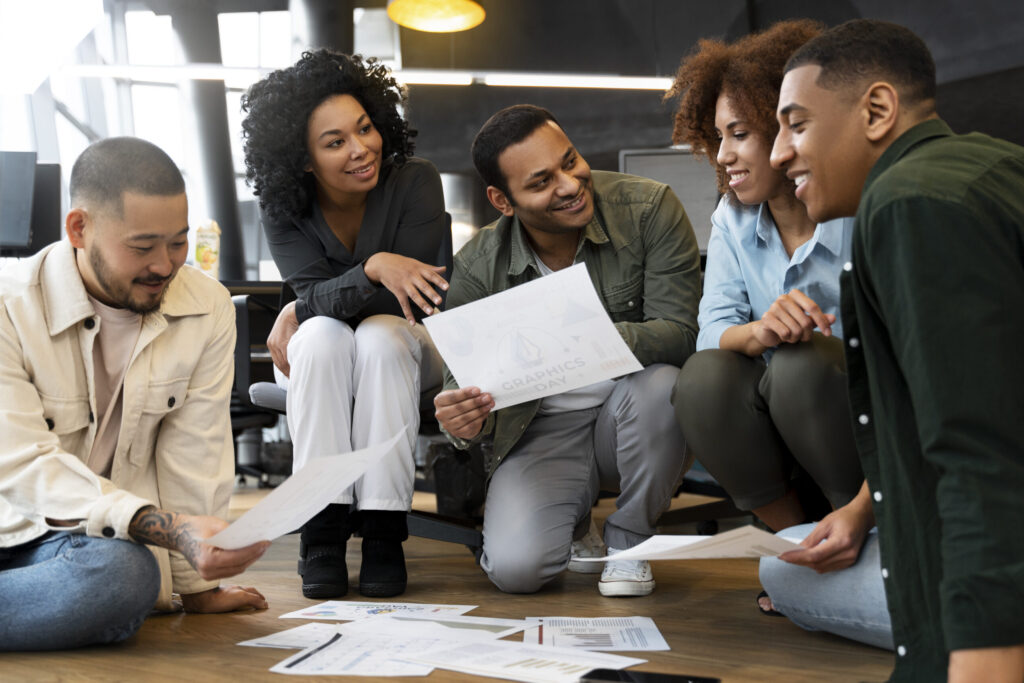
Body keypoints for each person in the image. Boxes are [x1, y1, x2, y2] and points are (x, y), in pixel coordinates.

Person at [770, 19, 1024, 682]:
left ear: (877, 110)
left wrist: (984, 651)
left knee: (780, 574)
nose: (777, 153)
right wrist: (862, 508)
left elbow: (981, 451)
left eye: (794, 123)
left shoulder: (910, 203)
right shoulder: (988, 166)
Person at [665, 21, 890, 649]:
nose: (724, 156)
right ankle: (793, 542)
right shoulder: (735, 217)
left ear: (790, 129)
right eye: (716, 139)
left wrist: (814, 335)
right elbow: (712, 331)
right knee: (704, 378)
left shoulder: (861, 206)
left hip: (867, 439)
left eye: (740, 134)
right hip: (786, 434)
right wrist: (759, 331)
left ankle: (862, 531)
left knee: (800, 362)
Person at [0, 137, 269, 651]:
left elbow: (196, 448)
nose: (165, 266)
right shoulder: (9, 305)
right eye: (142, 247)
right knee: (127, 579)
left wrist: (197, 585)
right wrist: (162, 527)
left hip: (74, 541)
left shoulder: (205, 306)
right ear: (79, 229)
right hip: (9, 520)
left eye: (178, 242)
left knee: (126, 577)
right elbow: (20, 466)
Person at [434, 104, 700, 597]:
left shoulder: (648, 209)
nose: (570, 184)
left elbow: (683, 334)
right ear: (502, 200)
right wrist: (463, 418)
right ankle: (576, 522)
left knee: (664, 384)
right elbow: (462, 383)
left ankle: (630, 544)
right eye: (541, 182)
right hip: (539, 429)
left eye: (570, 161)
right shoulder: (476, 266)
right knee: (517, 571)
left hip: (632, 411)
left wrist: (588, 337)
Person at [241, 49, 448, 599]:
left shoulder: (416, 182)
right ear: (303, 160)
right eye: (335, 143)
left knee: (378, 338)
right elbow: (320, 303)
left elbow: (414, 303)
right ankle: (322, 530)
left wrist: (306, 306)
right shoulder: (283, 207)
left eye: (364, 128)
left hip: (410, 344)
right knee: (327, 337)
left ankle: (384, 532)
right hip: (318, 352)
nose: (362, 149)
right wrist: (376, 267)